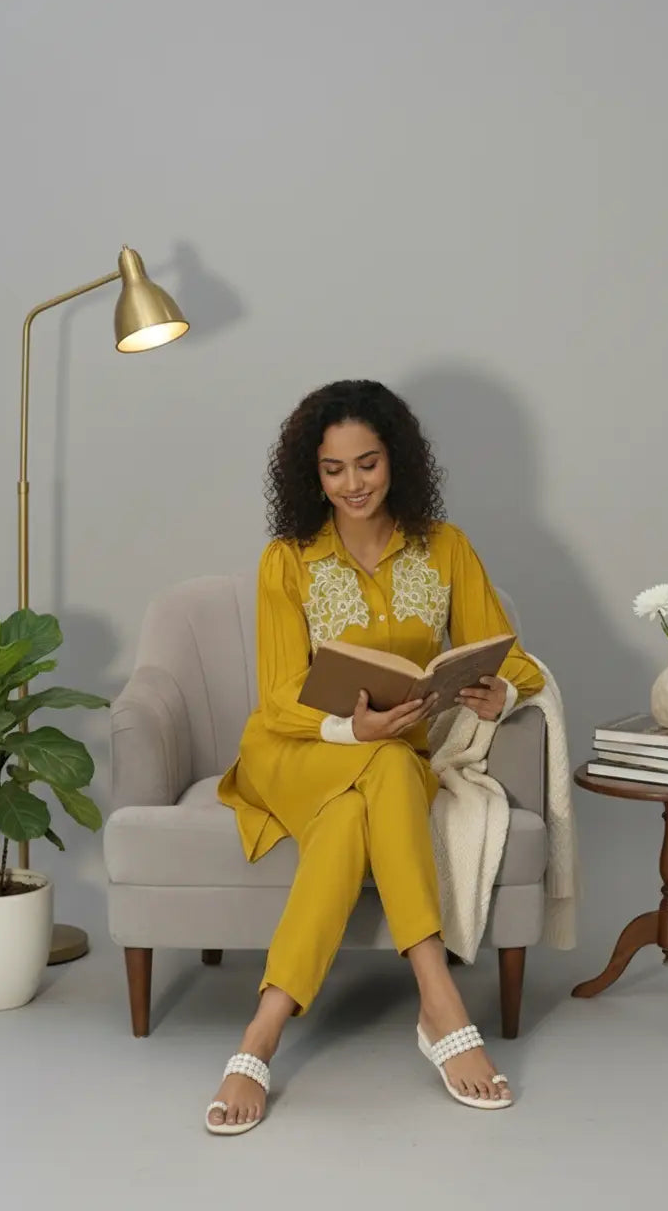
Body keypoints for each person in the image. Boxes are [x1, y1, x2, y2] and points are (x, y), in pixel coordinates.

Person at [209, 379, 544, 1134]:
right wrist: (350, 732)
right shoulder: (287, 560)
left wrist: (502, 693)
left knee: (366, 799)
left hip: (391, 756)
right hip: (297, 752)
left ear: (397, 459)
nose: (353, 484)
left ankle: (260, 1035)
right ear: (312, 474)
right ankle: (439, 999)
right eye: (334, 470)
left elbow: (511, 657)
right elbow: (279, 698)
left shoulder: (446, 547)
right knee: (385, 762)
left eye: (368, 463)